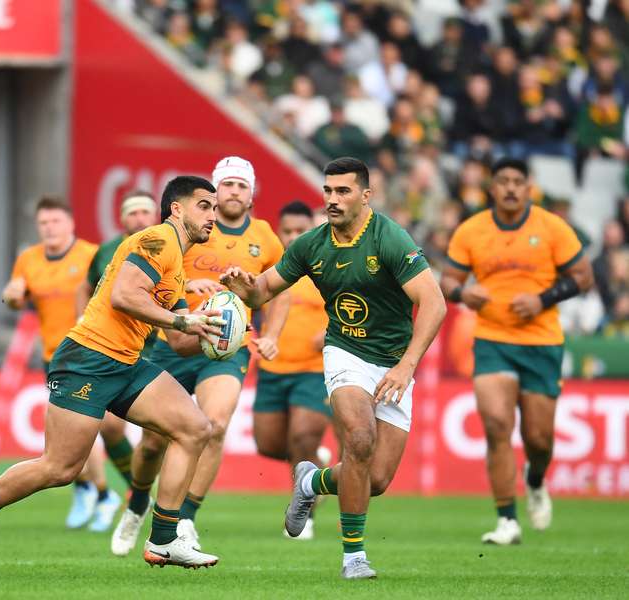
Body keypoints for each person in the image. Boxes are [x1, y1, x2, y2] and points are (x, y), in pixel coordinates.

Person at [0, 176, 226, 572]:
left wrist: (220, 336)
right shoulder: (156, 240)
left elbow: (178, 342)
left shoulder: (177, 262)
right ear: (177, 209)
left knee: (195, 429)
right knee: (59, 468)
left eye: (214, 207)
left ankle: (164, 540)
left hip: (125, 361)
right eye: (205, 206)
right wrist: (182, 320)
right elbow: (124, 296)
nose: (214, 214)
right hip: (87, 358)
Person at [220, 157, 447, 580]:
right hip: (344, 352)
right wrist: (243, 288)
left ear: (365, 195)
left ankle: (310, 482)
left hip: (395, 362)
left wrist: (406, 365)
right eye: (327, 191)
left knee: (376, 479)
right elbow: (262, 291)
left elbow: (434, 303)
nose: (332, 200)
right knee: (359, 438)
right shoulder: (311, 245)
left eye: (342, 192)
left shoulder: (391, 239)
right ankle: (353, 557)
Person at [110, 156, 288, 557]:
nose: (234, 192)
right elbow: (156, 275)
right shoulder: (190, 229)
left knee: (216, 425)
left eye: (242, 185)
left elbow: (281, 287)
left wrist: (272, 332)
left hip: (225, 349)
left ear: (251, 192)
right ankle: (138, 501)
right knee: (153, 444)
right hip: (175, 344)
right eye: (227, 185)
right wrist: (191, 284)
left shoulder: (265, 237)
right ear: (214, 190)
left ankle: (185, 518)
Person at [440, 158, 594, 545]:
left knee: (539, 440)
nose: (510, 188)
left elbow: (583, 277)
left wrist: (543, 299)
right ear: (492, 188)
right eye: (503, 181)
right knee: (496, 426)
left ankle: (536, 479)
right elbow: (447, 280)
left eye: (517, 182)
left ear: (529, 188)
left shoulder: (552, 227)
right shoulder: (472, 230)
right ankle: (507, 519)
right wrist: (463, 293)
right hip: (492, 340)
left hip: (542, 342)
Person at [1, 196, 117, 532]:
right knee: (64, 439)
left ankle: (103, 493)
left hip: (93, 352)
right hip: (55, 356)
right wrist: (10, 296)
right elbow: (15, 300)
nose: (49, 228)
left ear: (70, 224)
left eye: (55, 221)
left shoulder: (91, 255)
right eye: (43, 223)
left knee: (85, 430)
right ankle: (88, 489)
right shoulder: (28, 259)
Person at [252, 200, 331, 541]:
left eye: (302, 230)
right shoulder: (271, 270)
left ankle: (306, 516)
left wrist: (333, 331)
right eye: (289, 231)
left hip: (314, 370)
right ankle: (317, 460)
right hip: (272, 368)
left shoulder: (329, 268)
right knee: (268, 444)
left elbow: (358, 307)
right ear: (279, 232)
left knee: (301, 436)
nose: (295, 236)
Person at [76, 190, 158, 489]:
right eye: (132, 212)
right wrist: (83, 320)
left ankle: (158, 493)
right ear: (122, 218)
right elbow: (84, 288)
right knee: (110, 427)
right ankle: (136, 489)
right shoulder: (107, 250)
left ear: (155, 216)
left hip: (157, 348)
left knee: (163, 433)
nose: (139, 218)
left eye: (144, 212)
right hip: (114, 347)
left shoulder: (167, 249)